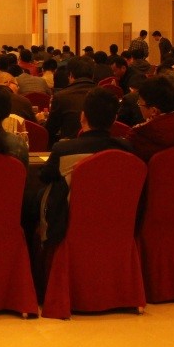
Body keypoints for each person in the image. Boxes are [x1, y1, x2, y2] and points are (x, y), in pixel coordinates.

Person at [35, 87, 135, 248]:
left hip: (71, 224)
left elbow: (45, 176)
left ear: (83, 116)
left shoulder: (64, 150)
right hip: (116, 221)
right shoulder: (126, 150)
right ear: (114, 120)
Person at [44, 57, 96, 144]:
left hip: (70, 147)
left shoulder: (61, 96)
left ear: (70, 75)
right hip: (104, 148)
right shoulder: (106, 94)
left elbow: (50, 130)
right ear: (93, 75)